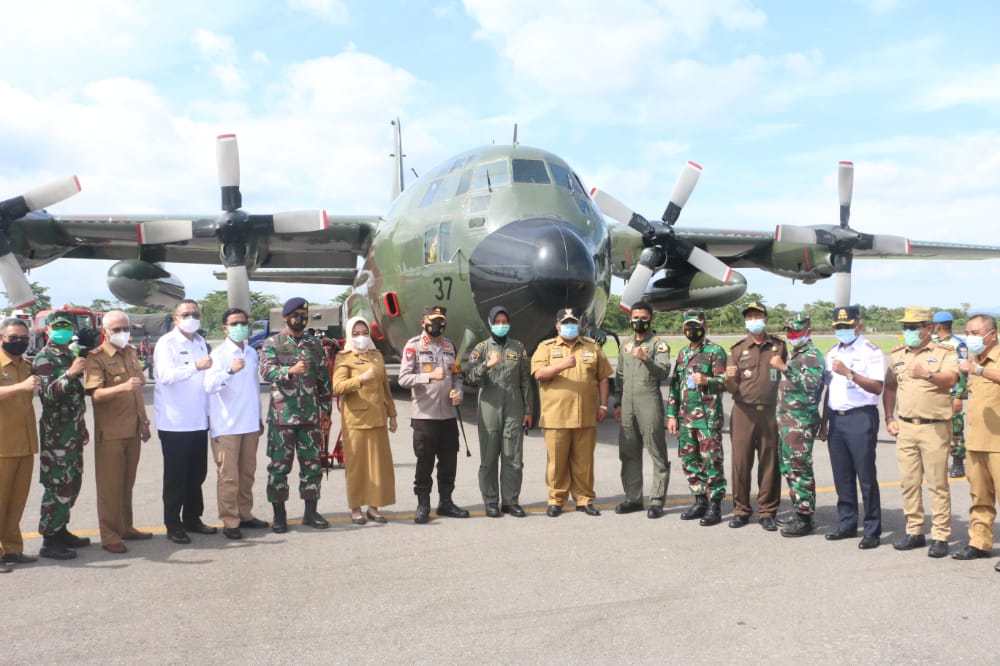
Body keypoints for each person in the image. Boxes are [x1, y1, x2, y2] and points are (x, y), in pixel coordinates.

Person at [882, 306, 960, 559]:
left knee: (937, 484)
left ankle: (940, 535)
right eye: (905, 327)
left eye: (912, 327)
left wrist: (927, 374)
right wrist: (890, 417)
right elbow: (890, 387)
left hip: (934, 427)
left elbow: (951, 379)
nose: (908, 331)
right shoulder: (897, 355)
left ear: (929, 328)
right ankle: (914, 531)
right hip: (906, 427)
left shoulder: (944, 352)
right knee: (909, 483)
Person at [259, 297, 334, 532]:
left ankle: (310, 512)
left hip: (310, 417)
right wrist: (289, 370)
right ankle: (279, 515)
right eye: (295, 315)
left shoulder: (314, 344)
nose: (300, 319)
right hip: (283, 417)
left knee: (312, 466)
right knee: (279, 468)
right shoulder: (273, 343)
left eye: (304, 315)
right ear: (285, 317)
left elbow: (324, 379)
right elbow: (265, 371)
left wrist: (326, 411)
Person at [532, 308, 612, 517]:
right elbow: (539, 373)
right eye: (565, 322)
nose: (569, 326)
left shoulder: (592, 346)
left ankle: (584, 499)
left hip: (585, 416)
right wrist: (562, 365)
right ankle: (556, 500)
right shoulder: (545, 347)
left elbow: (603, 377)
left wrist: (604, 405)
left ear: (579, 325)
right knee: (557, 463)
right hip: (556, 417)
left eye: (573, 322)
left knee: (584, 463)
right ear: (557, 326)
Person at [85, 311, 152, 554]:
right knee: (110, 486)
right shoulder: (97, 357)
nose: (123, 333)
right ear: (105, 332)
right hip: (111, 431)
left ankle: (126, 527)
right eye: (117, 329)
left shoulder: (130, 352)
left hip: (133, 428)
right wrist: (122, 387)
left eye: (126, 329)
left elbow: (137, 390)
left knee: (127, 483)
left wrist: (143, 422)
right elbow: (96, 394)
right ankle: (109, 534)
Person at [819, 306, 885, 550]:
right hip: (837, 419)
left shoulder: (870, 351)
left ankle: (872, 529)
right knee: (842, 475)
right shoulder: (832, 352)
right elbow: (830, 390)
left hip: (860, 417)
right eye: (838, 326)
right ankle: (846, 523)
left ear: (859, 326)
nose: (842, 330)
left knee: (865, 476)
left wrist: (849, 373)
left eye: (847, 326)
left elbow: (877, 387)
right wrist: (824, 422)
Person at [398, 305, 469, 524]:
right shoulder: (413, 346)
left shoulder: (450, 346)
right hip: (425, 416)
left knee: (449, 461)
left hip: (448, 416)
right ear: (423, 322)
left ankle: (446, 502)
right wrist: (428, 377)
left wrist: (458, 392)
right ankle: (423, 504)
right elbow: (403, 378)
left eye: (441, 321)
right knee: (425, 462)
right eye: (434, 321)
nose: (438, 325)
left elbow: (457, 376)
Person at [203, 308, 268, 540]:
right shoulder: (219, 354)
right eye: (234, 324)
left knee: (247, 474)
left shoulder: (251, 352)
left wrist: (258, 417)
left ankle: (245, 514)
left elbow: (254, 388)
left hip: (249, 423)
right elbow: (209, 386)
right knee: (229, 477)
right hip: (227, 425)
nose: (240, 327)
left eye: (243, 323)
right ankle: (230, 520)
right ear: (225, 328)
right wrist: (229, 371)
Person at [154, 299, 215, 544]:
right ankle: (173, 524)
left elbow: (206, 379)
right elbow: (165, 376)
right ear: (175, 318)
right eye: (186, 314)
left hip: (198, 420)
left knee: (197, 474)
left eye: (195, 314)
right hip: (175, 422)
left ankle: (192, 517)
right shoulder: (166, 343)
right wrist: (195, 366)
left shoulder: (200, 342)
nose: (192, 318)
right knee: (176, 477)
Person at [464, 306, 533, 518]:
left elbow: (525, 381)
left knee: (513, 457)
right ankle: (491, 501)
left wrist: (528, 410)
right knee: (489, 457)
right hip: (490, 406)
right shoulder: (481, 348)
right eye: (498, 321)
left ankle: (511, 501)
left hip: (514, 406)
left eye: (505, 321)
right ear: (490, 323)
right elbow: (470, 377)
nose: (501, 325)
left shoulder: (518, 348)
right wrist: (486, 364)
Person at [33, 311, 91, 560]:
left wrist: (82, 425)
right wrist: (70, 373)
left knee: (73, 482)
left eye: (67, 326)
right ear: (47, 330)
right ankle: (50, 539)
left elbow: (76, 396)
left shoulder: (70, 355)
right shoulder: (44, 358)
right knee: (58, 485)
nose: (63, 331)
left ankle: (61, 530)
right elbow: (48, 394)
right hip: (56, 434)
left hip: (73, 430)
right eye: (57, 327)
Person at [724, 301, 787, 531]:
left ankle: (767, 511)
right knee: (741, 463)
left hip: (770, 412)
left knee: (770, 463)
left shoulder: (779, 347)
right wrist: (728, 378)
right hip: (743, 412)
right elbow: (731, 388)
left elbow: (785, 377)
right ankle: (741, 511)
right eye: (749, 317)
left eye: (757, 316)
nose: (753, 320)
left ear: (766, 319)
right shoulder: (737, 349)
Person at [332, 316, 398, 524]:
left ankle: (373, 507)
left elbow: (385, 388)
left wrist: (392, 414)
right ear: (349, 336)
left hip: (378, 417)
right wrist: (360, 379)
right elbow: (338, 387)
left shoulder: (376, 355)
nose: (361, 337)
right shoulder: (344, 357)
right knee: (357, 467)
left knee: (378, 466)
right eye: (356, 334)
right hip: (356, 420)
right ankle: (356, 508)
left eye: (364, 333)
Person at [667, 309, 728, 526]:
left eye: (696, 326)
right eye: (689, 326)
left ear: (705, 327)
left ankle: (715, 505)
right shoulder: (682, 354)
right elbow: (675, 386)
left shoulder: (715, 351)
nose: (692, 330)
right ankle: (700, 500)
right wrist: (672, 415)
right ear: (683, 328)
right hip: (686, 419)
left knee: (712, 461)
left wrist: (707, 381)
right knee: (689, 461)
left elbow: (726, 382)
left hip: (707, 419)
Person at [612, 301, 672, 519]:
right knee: (628, 451)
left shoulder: (658, 344)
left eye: (644, 318)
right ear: (630, 319)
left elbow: (663, 372)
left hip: (649, 400)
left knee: (656, 451)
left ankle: (657, 500)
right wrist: (618, 404)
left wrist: (646, 359)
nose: (639, 321)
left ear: (651, 319)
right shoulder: (625, 345)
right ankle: (633, 498)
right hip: (627, 402)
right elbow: (619, 376)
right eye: (635, 318)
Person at [770, 313, 825, 537]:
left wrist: (784, 367)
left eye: (797, 331)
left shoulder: (812, 355)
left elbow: (811, 384)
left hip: (800, 423)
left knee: (800, 469)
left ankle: (805, 518)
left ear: (808, 332)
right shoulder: (796, 354)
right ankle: (798, 510)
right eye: (789, 331)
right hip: (787, 422)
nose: (792, 335)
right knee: (790, 469)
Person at [952, 313, 1000, 568]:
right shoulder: (973, 360)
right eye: (968, 333)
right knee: (979, 497)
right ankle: (979, 542)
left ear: (992, 335)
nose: (970, 337)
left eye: (975, 333)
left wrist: (978, 370)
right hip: (976, 441)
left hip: (998, 443)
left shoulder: (987, 362)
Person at [0, 317, 41, 572]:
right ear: (1, 339)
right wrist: (20, 387)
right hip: (2, 445)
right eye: (13, 338)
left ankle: (12, 549)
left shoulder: (26, 365)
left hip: (25, 444)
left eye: (24, 339)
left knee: (16, 502)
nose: (19, 342)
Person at [932, 312, 969, 478]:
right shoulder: (932, 342)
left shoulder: (958, 344)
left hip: (952, 393)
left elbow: (964, 372)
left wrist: (959, 396)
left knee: (956, 429)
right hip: (934, 393)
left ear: (939, 325)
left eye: (934, 324)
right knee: (934, 428)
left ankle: (958, 462)